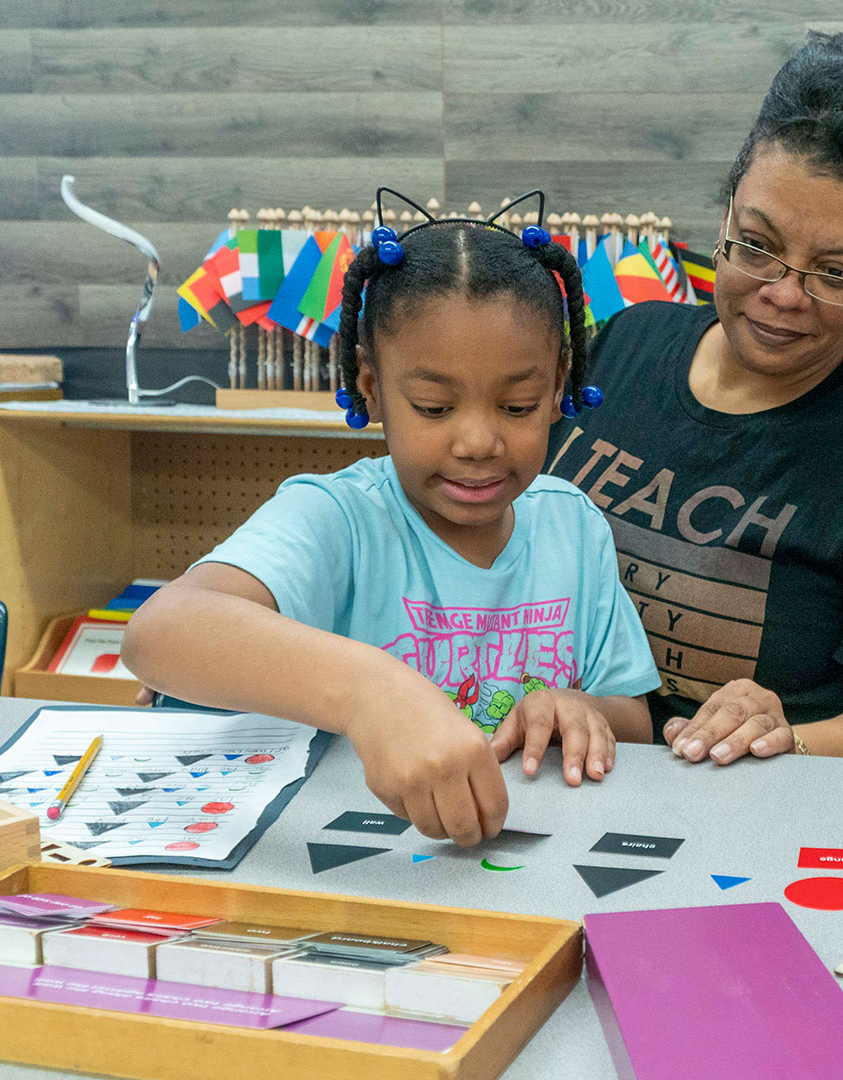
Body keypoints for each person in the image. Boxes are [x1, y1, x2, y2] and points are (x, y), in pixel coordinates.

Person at [123, 204, 662, 845]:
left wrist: (581, 709)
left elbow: (634, 721)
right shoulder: (339, 518)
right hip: (352, 852)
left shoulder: (572, 526)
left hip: (529, 849)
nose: (478, 442)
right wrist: (371, 692)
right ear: (372, 388)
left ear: (557, 390)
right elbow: (159, 631)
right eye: (433, 407)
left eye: (518, 406)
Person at [547, 32, 843, 767]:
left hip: (768, 805)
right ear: (726, 218)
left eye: (834, 273)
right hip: (554, 766)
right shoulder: (626, 344)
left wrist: (783, 739)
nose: (784, 294)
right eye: (758, 246)